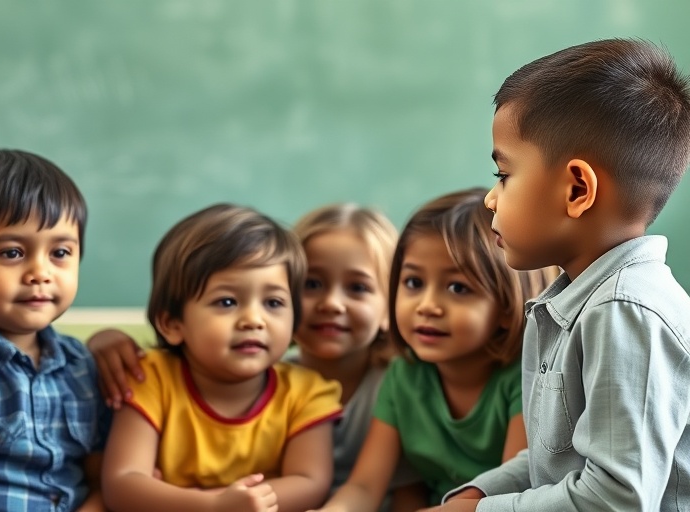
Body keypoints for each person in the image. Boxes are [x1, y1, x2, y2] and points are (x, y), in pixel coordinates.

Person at [437, 38, 690, 512]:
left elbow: (616, 499)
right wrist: (478, 494)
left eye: (504, 175)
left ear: (577, 189)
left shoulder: (625, 311)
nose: (491, 200)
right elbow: (557, 460)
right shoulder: (577, 301)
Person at [88, 203, 425, 509]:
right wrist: (215, 506)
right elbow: (121, 483)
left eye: (273, 303)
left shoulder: (318, 391)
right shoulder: (151, 377)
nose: (254, 319)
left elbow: (315, 483)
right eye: (227, 302)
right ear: (172, 323)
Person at [312, 188, 555, 511]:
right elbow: (364, 486)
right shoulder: (403, 376)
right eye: (413, 283)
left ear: (507, 308)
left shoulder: (522, 379)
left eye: (458, 288)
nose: (427, 306)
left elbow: (506, 493)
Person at [0, 149, 110, 512]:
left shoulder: (84, 365)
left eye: (60, 253)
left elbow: (101, 478)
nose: (40, 273)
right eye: (12, 253)